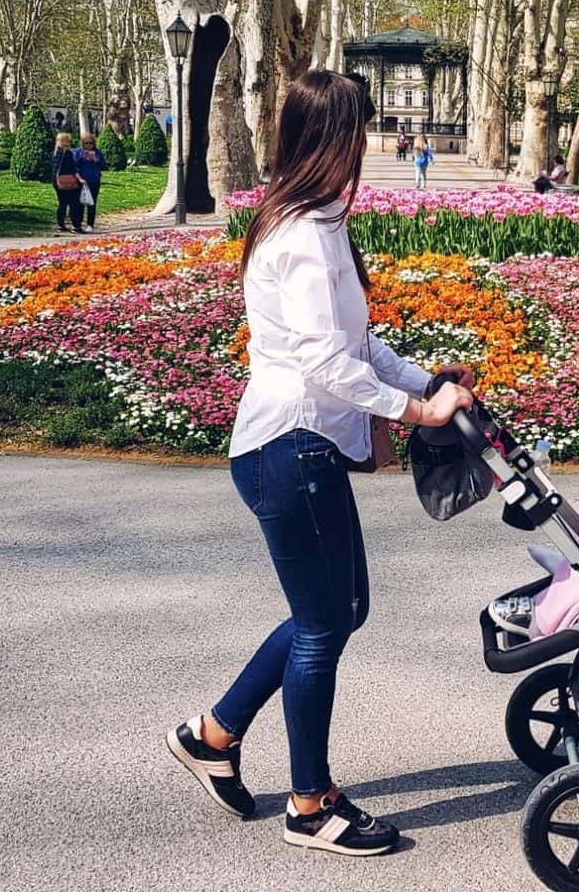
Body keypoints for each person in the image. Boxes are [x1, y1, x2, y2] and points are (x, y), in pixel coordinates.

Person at [165, 69, 475, 858]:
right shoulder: (302, 232)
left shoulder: (321, 220)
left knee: (337, 613)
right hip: (288, 446)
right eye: (356, 131)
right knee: (322, 625)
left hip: (299, 450)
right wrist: (417, 413)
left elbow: (359, 348)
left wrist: (426, 382)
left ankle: (212, 736)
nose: (366, 145)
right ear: (325, 138)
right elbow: (324, 367)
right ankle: (310, 805)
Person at [73, 132, 106, 233]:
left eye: (90, 143)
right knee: (79, 203)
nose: (88, 145)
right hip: (81, 181)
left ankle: (90, 224)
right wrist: (81, 157)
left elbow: (103, 166)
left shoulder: (97, 152)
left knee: (92, 203)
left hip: (94, 181)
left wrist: (95, 159)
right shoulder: (78, 152)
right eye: (86, 143)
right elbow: (74, 166)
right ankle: (77, 224)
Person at [51, 133, 81, 233]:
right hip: (68, 181)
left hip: (57, 181)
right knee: (73, 203)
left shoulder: (56, 152)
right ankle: (75, 225)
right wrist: (80, 179)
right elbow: (72, 168)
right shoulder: (67, 153)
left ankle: (61, 224)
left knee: (62, 203)